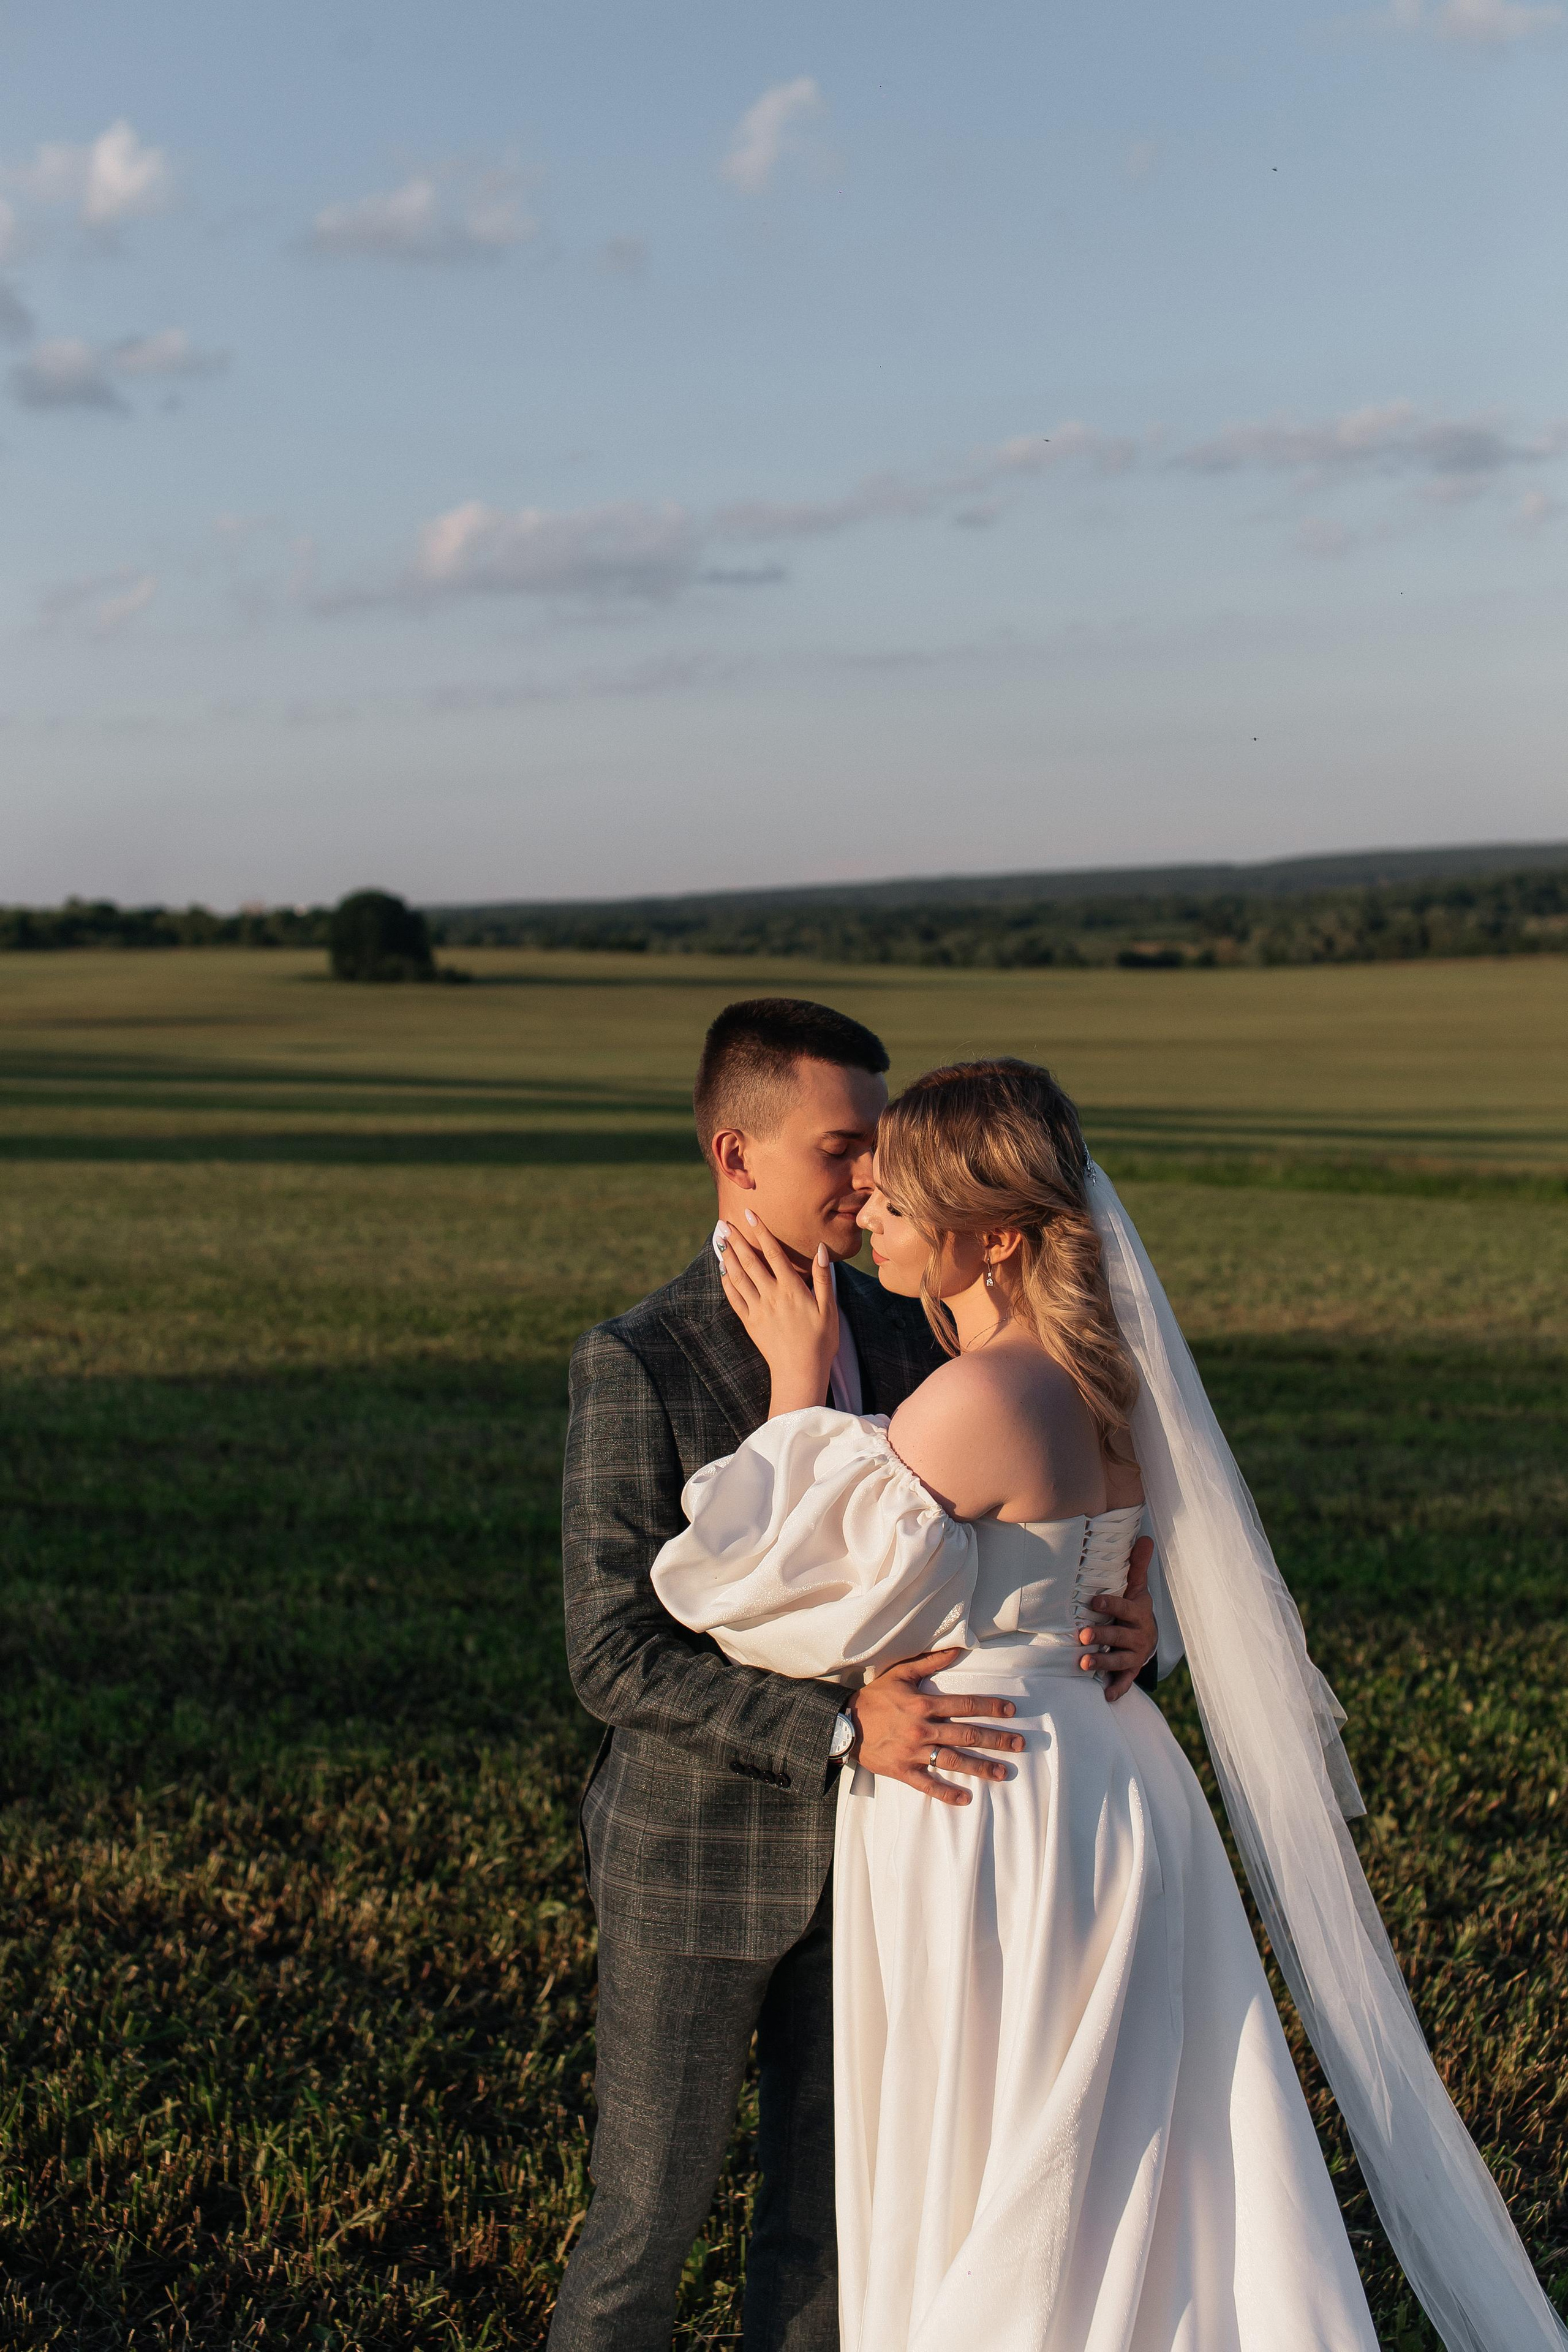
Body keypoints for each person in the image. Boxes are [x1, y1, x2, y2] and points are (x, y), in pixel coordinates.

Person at [652, 1058, 1568, 2352]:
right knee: (1128, 2131)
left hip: (985, 1800)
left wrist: (797, 1388)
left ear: (995, 1237)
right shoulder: (1100, 1380)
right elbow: (1162, 1575)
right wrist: (1133, 1630)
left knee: (1005, 2137)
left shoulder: (979, 1396)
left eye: (901, 1205)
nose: (868, 1213)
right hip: (1108, 1776)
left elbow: (765, 1584)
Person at [547, 1004, 1166, 2352]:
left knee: (836, 2233)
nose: (871, 1183)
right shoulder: (637, 1359)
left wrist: (1125, 1612)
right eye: (841, 1150)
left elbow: (1051, 1504)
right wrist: (838, 1724)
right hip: (698, 1856)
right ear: (735, 1153)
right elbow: (612, 1653)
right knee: (640, 2233)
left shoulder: (923, 1331)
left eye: (879, 1154)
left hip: (912, 1860)